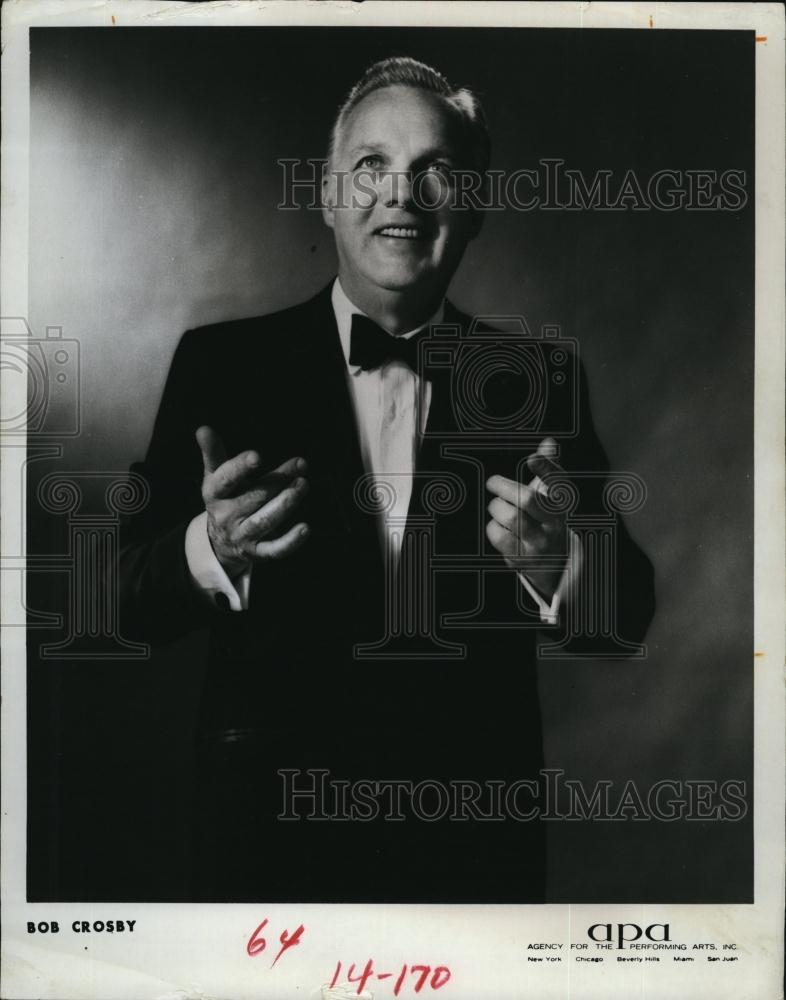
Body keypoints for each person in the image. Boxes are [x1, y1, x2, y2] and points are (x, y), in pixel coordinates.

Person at [118, 57, 654, 902]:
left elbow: (626, 617)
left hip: (475, 858)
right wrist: (206, 548)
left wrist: (564, 566)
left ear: (472, 207)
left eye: (435, 171)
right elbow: (116, 600)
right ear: (328, 196)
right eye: (372, 167)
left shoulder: (537, 379)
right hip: (267, 851)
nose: (401, 195)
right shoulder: (222, 367)